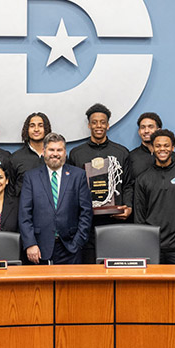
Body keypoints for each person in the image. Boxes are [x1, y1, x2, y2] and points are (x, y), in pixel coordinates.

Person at [67, 103, 134, 263]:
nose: (99, 126)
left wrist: (129, 207)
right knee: (89, 268)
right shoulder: (77, 154)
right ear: (89, 125)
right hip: (86, 223)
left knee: (114, 267)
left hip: (114, 222)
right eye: (95, 122)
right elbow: (71, 188)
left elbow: (128, 184)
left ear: (108, 125)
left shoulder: (121, 152)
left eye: (102, 122)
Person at [20, 133, 94, 265]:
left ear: (65, 153)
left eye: (59, 150)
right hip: (39, 249)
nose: (55, 154)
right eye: (51, 150)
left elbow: (86, 212)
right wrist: (30, 243)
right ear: (44, 152)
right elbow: (24, 214)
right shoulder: (31, 177)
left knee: (70, 286)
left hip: (71, 247)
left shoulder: (78, 176)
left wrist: (77, 242)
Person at [134, 129, 175, 264]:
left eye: (166, 145)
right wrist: (142, 245)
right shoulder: (143, 179)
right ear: (152, 148)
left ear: (173, 147)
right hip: (151, 247)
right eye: (158, 146)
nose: (162, 149)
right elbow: (139, 217)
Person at [5, 112, 50, 197]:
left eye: (40, 125)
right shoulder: (15, 158)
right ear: (27, 129)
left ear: (46, 129)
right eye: (32, 126)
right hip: (23, 208)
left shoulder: (55, 156)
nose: (36, 129)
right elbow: (11, 190)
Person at [129, 112, 175, 180]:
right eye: (143, 127)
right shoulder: (131, 157)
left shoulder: (172, 156)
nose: (146, 131)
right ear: (139, 131)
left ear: (158, 130)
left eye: (150, 127)